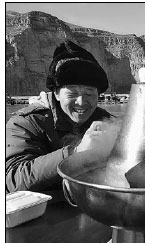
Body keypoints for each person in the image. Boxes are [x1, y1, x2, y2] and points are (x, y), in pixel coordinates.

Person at [6, 40, 119, 193]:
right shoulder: (24, 123)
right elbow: (13, 180)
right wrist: (75, 153)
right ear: (57, 94)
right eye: (72, 93)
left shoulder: (106, 120)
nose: (81, 102)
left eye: (89, 93)